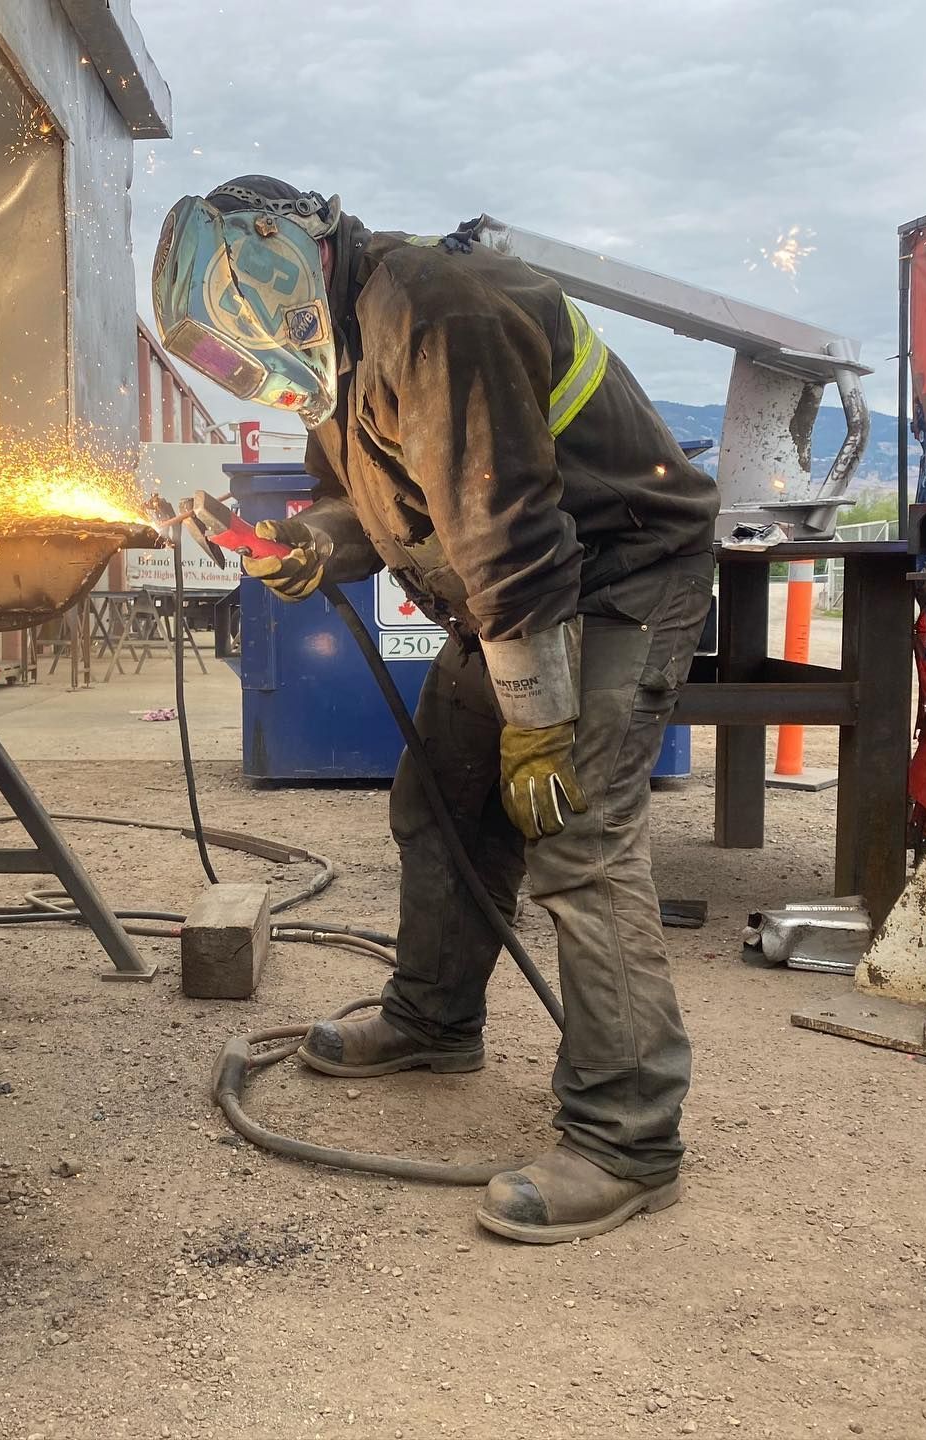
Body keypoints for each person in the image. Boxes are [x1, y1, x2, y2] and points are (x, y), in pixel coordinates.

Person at [152, 176, 720, 1244]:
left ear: (287, 257)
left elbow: (509, 527)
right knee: (446, 799)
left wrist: (544, 727)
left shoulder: (434, 308)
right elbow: (382, 506)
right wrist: (315, 540)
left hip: (614, 576)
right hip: (512, 593)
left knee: (574, 830)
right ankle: (433, 1021)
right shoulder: (347, 359)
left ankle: (628, 1140)